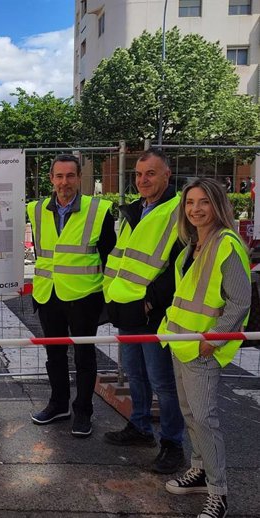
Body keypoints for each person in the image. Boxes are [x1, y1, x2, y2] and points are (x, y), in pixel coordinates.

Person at [160, 178, 251, 518]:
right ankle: (199, 470)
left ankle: (218, 492)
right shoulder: (193, 244)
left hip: (202, 349)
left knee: (204, 418)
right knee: (190, 415)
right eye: (190, 203)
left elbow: (240, 302)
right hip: (181, 343)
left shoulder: (226, 243)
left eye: (204, 202)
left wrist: (213, 339)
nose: (195, 209)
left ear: (218, 205)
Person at [102, 149, 186, 474]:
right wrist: (111, 294)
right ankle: (139, 427)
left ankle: (173, 444)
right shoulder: (135, 210)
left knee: (162, 381)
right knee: (135, 374)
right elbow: (122, 257)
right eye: (138, 174)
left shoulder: (179, 211)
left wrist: (152, 300)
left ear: (167, 174)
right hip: (126, 308)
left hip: (152, 312)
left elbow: (179, 264)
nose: (142, 180)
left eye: (150, 173)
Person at [26, 154, 116, 437]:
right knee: (54, 355)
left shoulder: (98, 211)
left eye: (70, 176)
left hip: (84, 296)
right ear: (51, 179)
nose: (64, 182)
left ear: (79, 179)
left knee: (84, 357)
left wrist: (106, 297)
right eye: (59, 176)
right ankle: (58, 404)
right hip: (48, 293)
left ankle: (83, 412)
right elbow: (42, 252)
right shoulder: (36, 209)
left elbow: (109, 256)